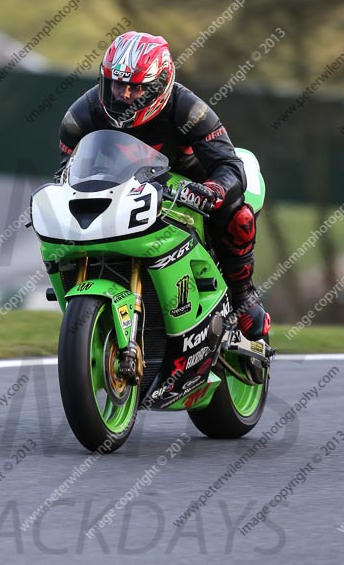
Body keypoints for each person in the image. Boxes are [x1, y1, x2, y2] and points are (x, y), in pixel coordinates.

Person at [56, 31, 271, 340]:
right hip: (122, 188)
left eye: (136, 87)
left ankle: (243, 294)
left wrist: (213, 191)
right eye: (117, 84)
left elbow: (229, 165)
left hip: (188, 186)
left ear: (160, 85)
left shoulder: (189, 110)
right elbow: (66, 172)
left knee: (239, 215)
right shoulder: (80, 116)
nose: (124, 95)